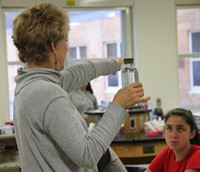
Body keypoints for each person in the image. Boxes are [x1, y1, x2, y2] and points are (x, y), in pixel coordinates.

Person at [12, 2, 150, 172]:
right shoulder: (48, 93)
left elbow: (77, 73)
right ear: (53, 47)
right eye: (66, 40)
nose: (67, 47)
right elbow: (87, 155)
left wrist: (115, 64)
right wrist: (118, 106)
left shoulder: (28, 84)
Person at [145, 108, 200, 172]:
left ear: (192, 134)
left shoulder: (198, 154)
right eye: (169, 128)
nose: (173, 135)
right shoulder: (167, 152)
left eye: (180, 129)